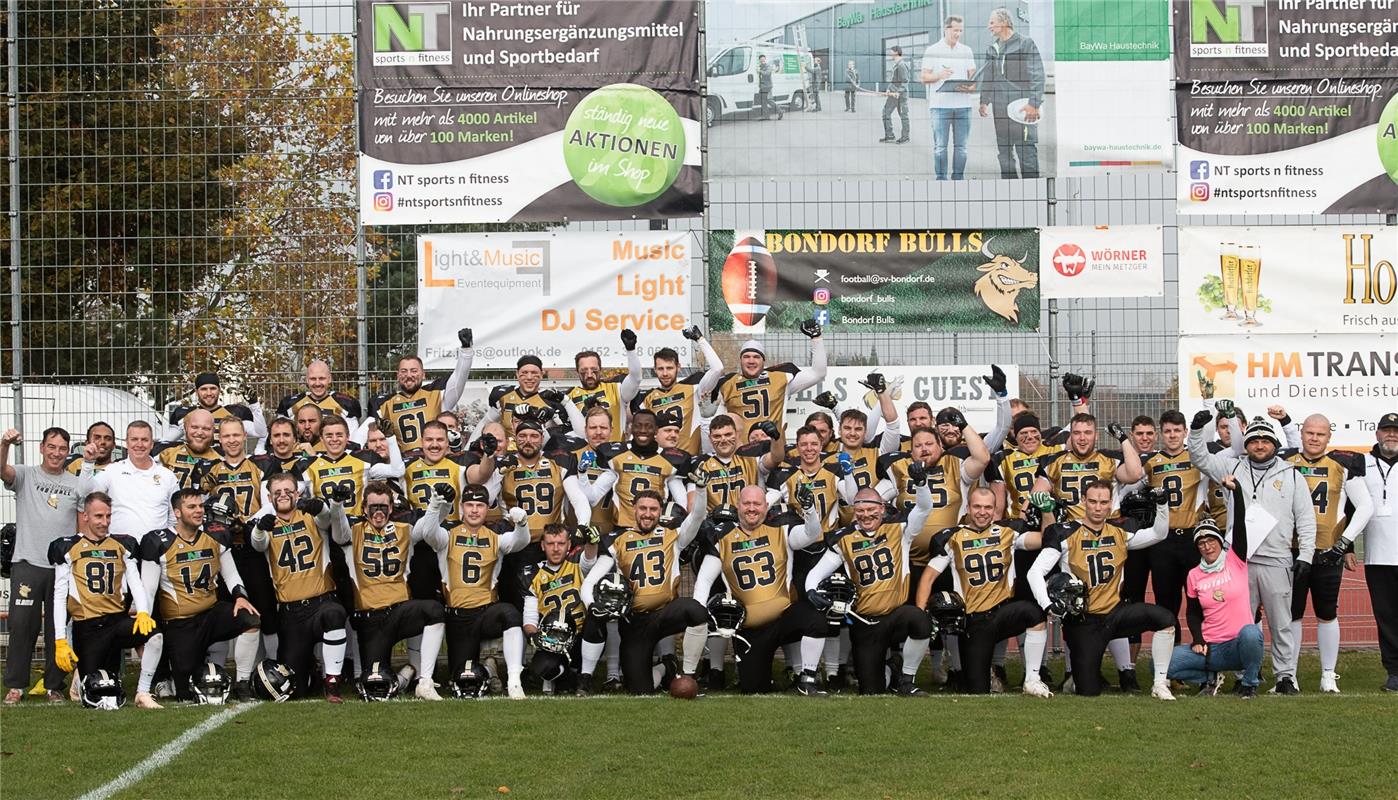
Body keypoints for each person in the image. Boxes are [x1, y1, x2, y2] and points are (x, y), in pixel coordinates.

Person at [1187, 406, 1314, 695]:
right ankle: (1245, 675)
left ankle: (1285, 676)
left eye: (1265, 440)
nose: (1259, 445)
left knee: (1281, 623)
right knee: (1241, 624)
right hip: (1237, 561)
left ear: (1274, 444)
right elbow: (1199, 458)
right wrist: (1196, 431)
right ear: (1245, 445)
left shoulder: (1292, 475)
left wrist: (1305, 555)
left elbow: (1306, 519)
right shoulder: (1232, 467)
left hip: (1277, 559)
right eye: (1254, 440)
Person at [1028, 481, 1176, 699]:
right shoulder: (1065, 533)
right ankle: (1075, 680)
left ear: (1110, 504)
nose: (1098, 508)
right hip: (1084, 620)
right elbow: (1034, 572)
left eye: (1104, 502)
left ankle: (1160, 684)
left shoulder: (1121, 530)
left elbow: (1159, 534)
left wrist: (1162, 505)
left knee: (1165, 618)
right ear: (1084, 502)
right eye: (1093, 502)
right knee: (1088, 690)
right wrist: (1048, 605)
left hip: (1115, 614)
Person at [686, 486, 827, 694]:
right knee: (753, 688)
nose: (752, 509)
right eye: (747, 503)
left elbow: (811, 533)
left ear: (766, 506)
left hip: (785, 617)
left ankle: (807, 680)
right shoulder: (722, 538)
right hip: (750, 628)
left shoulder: (781, 531)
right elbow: (704, 581)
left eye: (757, 504)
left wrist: (810, 510)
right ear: (738, 505)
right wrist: (698, 612)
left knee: (816, 618)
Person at [916, 486, 1048, 696]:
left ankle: (1032, 678)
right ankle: (987, 674)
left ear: (996, 509)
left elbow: (1045, 539)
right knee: (977, 690)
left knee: (1034, 612)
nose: (982, 511)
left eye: (988, 507)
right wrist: (920, 613)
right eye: (977, 506)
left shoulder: (1008, 531)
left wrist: (1047, 511)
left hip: (1003, 612)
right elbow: (927, 577)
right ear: (968, 508)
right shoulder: (952, 537)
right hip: (973, 621)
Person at [804, 483, 934, 695]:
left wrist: (921, 484)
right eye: (861, 511)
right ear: (854, 512)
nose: (866, 515)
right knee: (871, 691)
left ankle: (907, 680)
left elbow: (924, 508)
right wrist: (811, 590)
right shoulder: (843, 539)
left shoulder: (900, 528)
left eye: (871, 510)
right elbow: (816, 574)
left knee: (920, 619)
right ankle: (891, 670)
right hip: (865, 622)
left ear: (882, 508)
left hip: (896, 615)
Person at [136, 489, 261, 706]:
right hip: (180, 623)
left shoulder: (215, 534)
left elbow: (230, 574)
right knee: (185, 691)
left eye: (200, 506)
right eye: (191, 507)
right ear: (177, 512)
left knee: (250, 618)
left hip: (211, 613)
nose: (198, 511)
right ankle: (167, 681)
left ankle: (242, 683)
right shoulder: (158, 541)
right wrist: (143, 613)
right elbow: (148, 588)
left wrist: (240, 596)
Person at [1279, 410, 1373, 692]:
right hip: (1293, 549)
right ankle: (1289, 675)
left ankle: (1328, 675)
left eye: (1320, 434)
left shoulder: (1341, 465)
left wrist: (1344, 543)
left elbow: (1366, 506)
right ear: (1302, 433)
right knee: (1291, 614)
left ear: (1328, 437)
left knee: (1327, 612)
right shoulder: (1285, 463)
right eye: (1310, 433)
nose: (1314, 438)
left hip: (1327, 551)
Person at [580, 490, 707, 694]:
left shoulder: (672, 535)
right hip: (634, 622)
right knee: (640, 690)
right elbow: (589, 579)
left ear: (660, 511)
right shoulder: (617, 541)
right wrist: (591, 605)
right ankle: (668, 667)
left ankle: (687, 674)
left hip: (665, 613)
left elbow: (698, 515)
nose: (648, 514)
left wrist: (701, 491)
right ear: (634, 510)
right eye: (643, 508)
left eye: (653, 509)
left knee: (696, 610)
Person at [328, 481, 446, 701]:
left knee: (434, 610)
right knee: (375, 686)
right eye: (373, 507)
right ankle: (403, 678)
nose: (378, 512)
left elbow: (430, 526)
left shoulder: (404, 530)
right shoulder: (352, 532)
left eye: (383, 506)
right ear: (364, 509)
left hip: (399, 613)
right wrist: (336, 504)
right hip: (370, 619)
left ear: (391, 508)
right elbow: (338, 530)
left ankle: (425, 681)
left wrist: (438, 503)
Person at [1, 427, 94, 704]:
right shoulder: (26, 475)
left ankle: (55, 686)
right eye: (51, 447)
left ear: (68, 452)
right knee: (21, 626)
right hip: (28, 563)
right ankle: (16, 686)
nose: (56, 453)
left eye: (62, 448)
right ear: (41, 448)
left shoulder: (75, 481)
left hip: (61, 569)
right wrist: (4, 442)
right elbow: (1, 470)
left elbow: (84, 514)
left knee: (58, 629)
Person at [417, 483, 532, 699]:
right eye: (469, 505)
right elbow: (428, 532)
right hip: (457, 616)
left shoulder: (495, 538)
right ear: (461, 507)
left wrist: (523, 523)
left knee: (510, 613)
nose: (474, 510)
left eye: (479, 505)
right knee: (463, 678)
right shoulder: (447, 537)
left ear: (487, 508)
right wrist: (435, 504)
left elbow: (520, 541)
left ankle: (514, 682)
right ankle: (483, 669)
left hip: (485, 613)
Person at [49, 492, 159, 708]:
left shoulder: (122, 545)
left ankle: (143, 693)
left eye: (108, 516)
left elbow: (135, 582)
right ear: (85, 516)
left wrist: (143, 612)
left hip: (116, 622)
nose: (105, 522)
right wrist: (60, 640)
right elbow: (59, 594)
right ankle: (79, 678)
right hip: (87, 627)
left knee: (155, 636)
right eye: (99, 516)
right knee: (95, 691)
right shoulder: (68, 547)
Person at [250, 473, 351, 702]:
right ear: (269, 497)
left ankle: (332, 681)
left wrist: (323, 508)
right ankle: (312, 671)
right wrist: (259, 528)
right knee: (295, 690)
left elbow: (327, 520)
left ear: (297, 494)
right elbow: (258, 545)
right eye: (278, 492)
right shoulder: (267, 523)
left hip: (321, 602)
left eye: (288, 491)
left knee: (335, 613)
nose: (283, 495)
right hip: (290, 613)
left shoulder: (311, 516)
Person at [1166, 479, 1266, 698]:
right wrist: (1198, 639)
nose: (1207, 546)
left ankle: (1250, 683)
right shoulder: (1194, 575)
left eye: (1211, 540)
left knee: (1251, 633)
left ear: (1220, 542)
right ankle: (1211, 678)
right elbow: (1192, 612)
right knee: (1162, 664)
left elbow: (1239, 524)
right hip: (1211, 646)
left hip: (1239, 645)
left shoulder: (1235, 560)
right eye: (1201, 543)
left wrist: (1237, 491)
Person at [713, 320, 827, 442]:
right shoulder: (727, 384)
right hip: (742, 451)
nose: (751, 361)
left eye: (756, 357)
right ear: (740, 361)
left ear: (764, 361)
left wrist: (816, 338)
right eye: (746, 357)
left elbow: (818, 373)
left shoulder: (780, 378)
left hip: (773, 450)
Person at [363, 329, 473, 454]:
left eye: (414, 371)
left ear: (423, 374)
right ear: (397, 375)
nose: (409, 375)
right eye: (404, 371)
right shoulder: (384, 403)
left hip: (434, 459)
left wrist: (466, 350)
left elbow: (460, 377)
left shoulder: (435, 394)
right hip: (404, 466)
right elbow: (364, 433)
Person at [522, 523, 601, 695]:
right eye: (550, 544)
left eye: (561, 543)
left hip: (581, 637)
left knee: (596, 620)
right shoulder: (533, 575)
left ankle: (584, 677)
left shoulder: (577, 563)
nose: (556, 549)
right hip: (553, 641)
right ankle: (568, 677)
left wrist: (592, 542)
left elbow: (589, 559)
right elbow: (529, 617)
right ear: (542, 545)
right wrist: (533, 636)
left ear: (569, 544)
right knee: (543, 668)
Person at [631, 326, 724, 455]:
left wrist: (700, 339)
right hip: (660, 463)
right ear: (654, 369)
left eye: (669, 368)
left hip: (688, 460)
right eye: (660, 369)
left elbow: (717, 368)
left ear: (678, 367)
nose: (665, 373)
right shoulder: (647, 398)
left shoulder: (694, 389)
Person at [1356, 412, 1398, 692]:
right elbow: (1349, 507)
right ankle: (1394, 671)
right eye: (1386, 430)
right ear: (1377, 434)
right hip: (1377, 554)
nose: (1391, 435)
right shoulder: (1362, 464)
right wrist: (1347, 545)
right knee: (1386, 616)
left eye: (1396, 431)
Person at [978, 7, 1044, 178]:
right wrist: (983, 101)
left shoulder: (1025, 43)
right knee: (1004, 152)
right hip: (1000, 110)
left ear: (1004, 22)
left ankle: (1033, 192)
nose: (988, 26)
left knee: (1026, 152)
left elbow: (1037, 74)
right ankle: (1011, 189)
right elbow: (988, 77)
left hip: (1022, 108)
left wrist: (1034, 103)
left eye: (992, 22)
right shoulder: (992, 49)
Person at [85, 421, 178, 538]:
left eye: (144, 440)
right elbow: (85, 494)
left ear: (152, 444)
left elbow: (175, 519)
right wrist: (88, 463)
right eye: (134, 439)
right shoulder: (111, 471)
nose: (139, 444)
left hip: (157, 552)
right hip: (120, 551)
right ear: (126, 443)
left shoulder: (167, 476)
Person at [921, 14, 977, 180]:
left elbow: (974, 79)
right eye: (955, 30)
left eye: (961, 30)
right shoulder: (932, 50)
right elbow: (923, 77)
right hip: (939, 107)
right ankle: (941, 179)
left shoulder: (967, 51)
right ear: (946, 29)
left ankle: (958, 179)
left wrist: (969, 88)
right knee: (940, 147)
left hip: (963, 106)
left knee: (962, 148)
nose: (958, 34)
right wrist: (940, 74)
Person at [566, 331, 643, 444]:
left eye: (594, 370)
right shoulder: (569, 396)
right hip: (585, 455)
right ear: (577, 372)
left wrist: (630, 350)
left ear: (600, 369)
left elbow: (636, 378)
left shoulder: (616, 389)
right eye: (584, 371)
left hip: (615, 453)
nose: (589, 375)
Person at [165, 372, 266, 445]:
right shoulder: (185, 414)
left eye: (213, 388)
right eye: (204, 389)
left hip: (224, 466)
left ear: (219, 390)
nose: (209, 393)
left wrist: (254, 404)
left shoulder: (235, 412)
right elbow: (166, 442)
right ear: (196, 392)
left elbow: (260, 433)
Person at [276, 360, 362, 436]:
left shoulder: (345, 404)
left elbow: (352, 441)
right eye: (313, 379)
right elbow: (280, 435)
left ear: (329, 379)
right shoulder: (290, 404)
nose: (317, 383)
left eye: (322, 378)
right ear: (306, 380)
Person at [154, 408, 222, 490]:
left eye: (206, 428)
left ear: (213, 431)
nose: (200, 432)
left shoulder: (222, 459)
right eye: (194, 427)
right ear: (185, 427)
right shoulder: (166, 454)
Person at [881, 45, 910, 144]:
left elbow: (905, 81)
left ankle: (905, 137)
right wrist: (889, 89)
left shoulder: (902, 65)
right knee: (885, 113)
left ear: (896, 52)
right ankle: (889, 135)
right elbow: (893, 81)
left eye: (891, 51)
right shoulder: (896, 65)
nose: (890, 53)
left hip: (900, 96)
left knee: (903, 115)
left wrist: (898, 92)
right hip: (893, 95)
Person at [755, 54, 782, 121]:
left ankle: (780, 111)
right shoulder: (760, 66)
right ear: (759, 60)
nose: (762, 61)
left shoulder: (768, 66)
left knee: (769, 100)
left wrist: (760, 71)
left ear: (765, 59)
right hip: (762, 86)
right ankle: (766, 116)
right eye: (761, 60)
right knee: (763, 102)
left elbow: (767, 74)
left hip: (767, 86)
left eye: (763, 59)